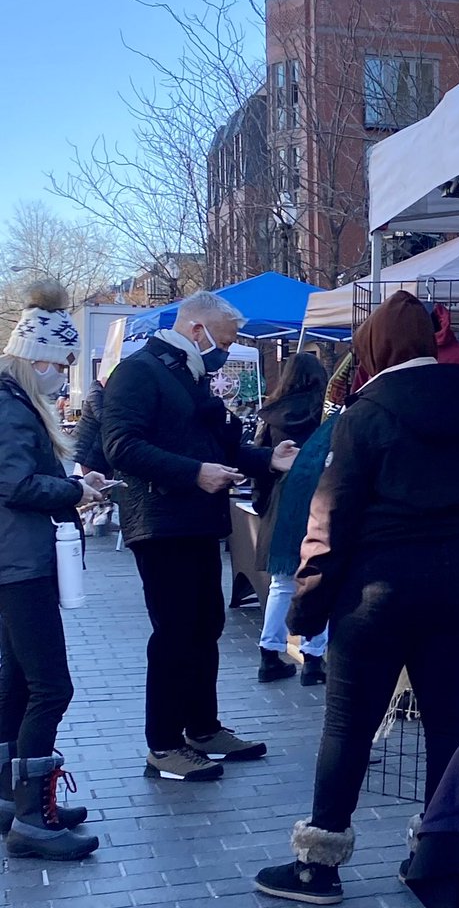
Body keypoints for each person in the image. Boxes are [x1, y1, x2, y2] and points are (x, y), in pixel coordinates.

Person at [254, 292, 459, 905]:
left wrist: (305, 610)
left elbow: (331, 517)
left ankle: (317, 867)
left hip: (377, 592)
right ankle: (442, 862)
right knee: (451, 725)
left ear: (373, 347)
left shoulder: (364, 413)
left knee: (348, 727)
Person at [102, 291, 298, 782]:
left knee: (205, 624)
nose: (226, 351)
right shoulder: (140, 372)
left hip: (195, 521)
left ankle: (202, 728)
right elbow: (120, 447)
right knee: (175, 632)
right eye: (225, 341)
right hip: (161, 523)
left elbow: (219, 444)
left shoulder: (187, 375)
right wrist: (194, 473)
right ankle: (164, 745)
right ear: (196, 331)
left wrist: (267, 460)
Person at [0, 281, 105, 860]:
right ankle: (34, 821)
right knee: (50, 686)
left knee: (16, 683)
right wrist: (73, 490)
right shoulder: (10, 406)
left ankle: (15, 801)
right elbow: (14, 483)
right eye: (61, 365)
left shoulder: (11, 400)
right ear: (37, 358)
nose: (64, 377)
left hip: (14, 559)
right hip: (22, 563)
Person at [254, 352, 330, 686]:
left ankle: (269, 653)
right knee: (318, 581)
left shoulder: (270, 416)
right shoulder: (327, 417)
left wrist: (262, 503)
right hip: (318, 503)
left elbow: (260, 466)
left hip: (281, 506)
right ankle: (314, 659)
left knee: (281, 584)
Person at [73, 375, 111, 477]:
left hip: (92, 445)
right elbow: (101, 415)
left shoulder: (99, 392)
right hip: (89, 446)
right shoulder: (96, 392)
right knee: (96, 484)